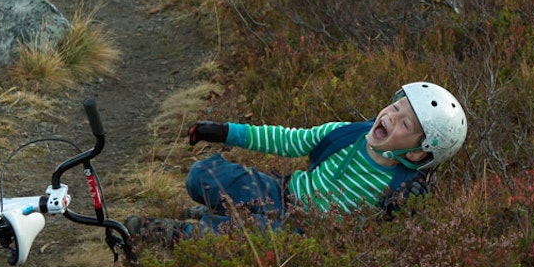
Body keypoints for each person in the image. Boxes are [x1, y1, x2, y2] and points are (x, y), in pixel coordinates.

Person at [126, 82, 468, 245]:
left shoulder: (403, 190)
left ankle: (172, 233)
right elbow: (286, 140)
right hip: (281, 193)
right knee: (202, 174)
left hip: (306, 233)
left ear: (417, 154)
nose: (391, 117)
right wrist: (226, 132)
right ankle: (225, 211)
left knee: (247, 239)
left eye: (405, 123)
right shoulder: (346, 133)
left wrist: (405, 211)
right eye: (395, 107)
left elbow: (393, 241)